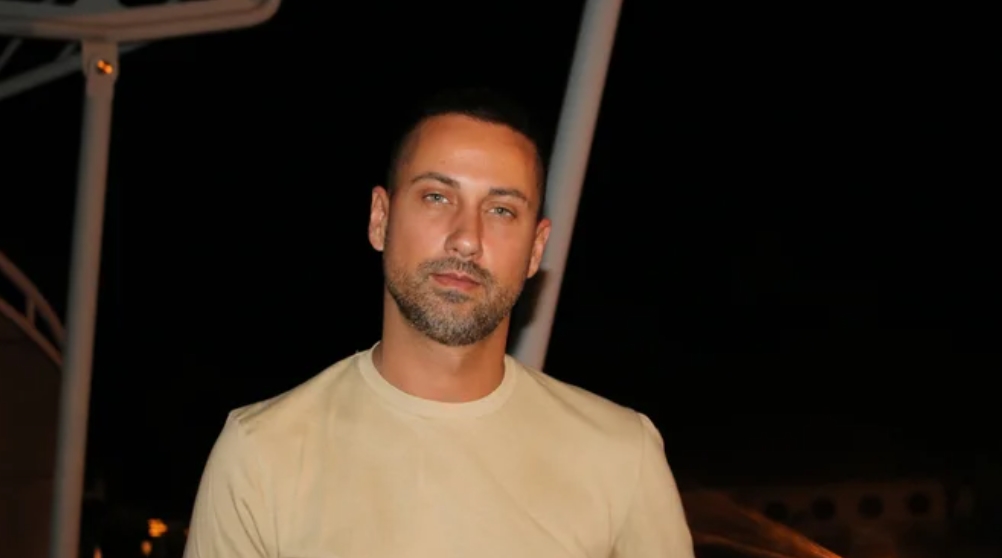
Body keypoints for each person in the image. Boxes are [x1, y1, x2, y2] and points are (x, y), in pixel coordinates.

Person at [183, 89, 694, 558]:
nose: (466, 238)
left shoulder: (621, 457)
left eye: (501, 210)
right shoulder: (262, 454)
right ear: (380, 218)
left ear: (536, 248)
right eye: (436, 197)